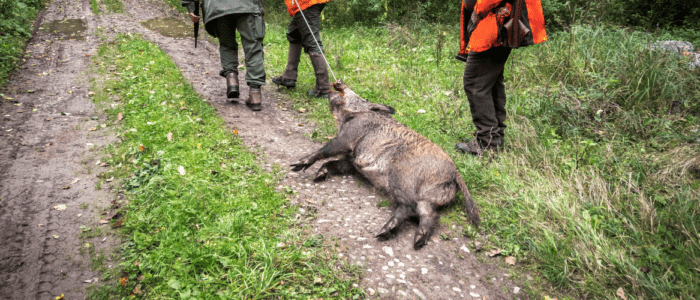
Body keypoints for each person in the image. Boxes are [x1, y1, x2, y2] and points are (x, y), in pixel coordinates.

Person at [454, 0, 546, 155]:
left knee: (475, 83)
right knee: (491, 82)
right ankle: (492, 138)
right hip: (496, 18)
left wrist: (478, 11)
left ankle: (487, 144)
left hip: (494, 20)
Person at [182, 0, 266, 111]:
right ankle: (255, 94)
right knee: (253, 46)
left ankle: (232, 81)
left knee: (226, 44)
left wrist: (191, 6)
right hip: (247, 5)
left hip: (217, 6)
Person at [271, 0, 332, 99]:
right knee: (294, 34)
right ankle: (289, 76)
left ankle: (323, 87)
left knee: (312, 42)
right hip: (306, 3)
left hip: (306, 3)